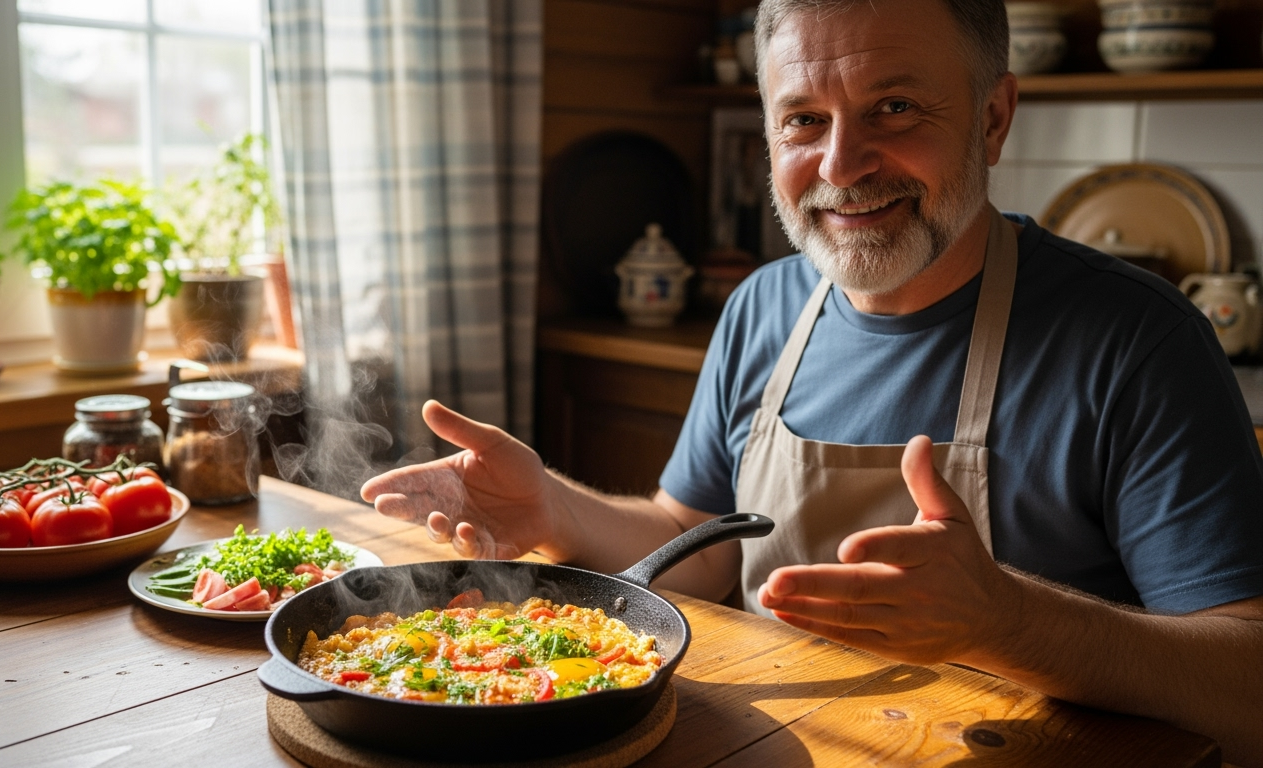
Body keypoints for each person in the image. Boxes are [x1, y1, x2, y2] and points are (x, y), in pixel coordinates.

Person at [361, 0, 1263, 762]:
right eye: (802, 120)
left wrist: (1005, 621)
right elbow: (697, 542)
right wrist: (553, 510)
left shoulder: (1140, 341)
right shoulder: (763, 306)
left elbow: (1248, 689)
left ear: (993, 118)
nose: (840, 165)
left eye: (895, 107)